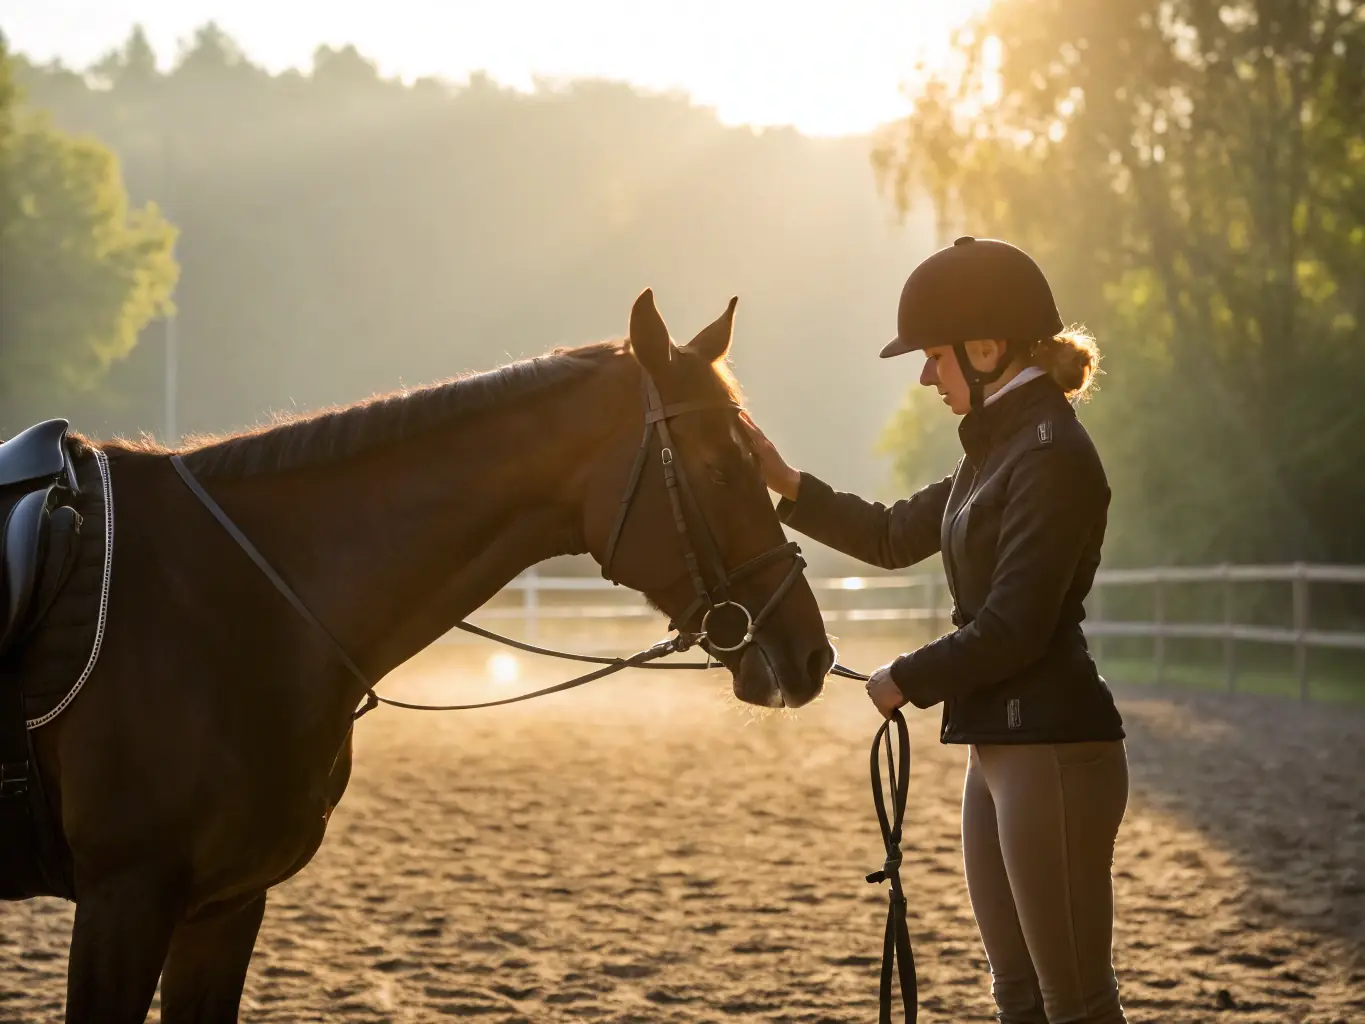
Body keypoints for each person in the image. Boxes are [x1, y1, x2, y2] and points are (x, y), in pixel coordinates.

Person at [741, 235, 1129, 1024]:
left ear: (985, 349)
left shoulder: (1048, 455)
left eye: (933, 357)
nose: (924, 376)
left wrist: (904, 680)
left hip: (1051, 746)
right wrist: (785, 484)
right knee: (1016, 994)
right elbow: (890, 536)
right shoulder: (994, 452)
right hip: (998, 747)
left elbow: (1013, 628)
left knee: (1075, 1003)